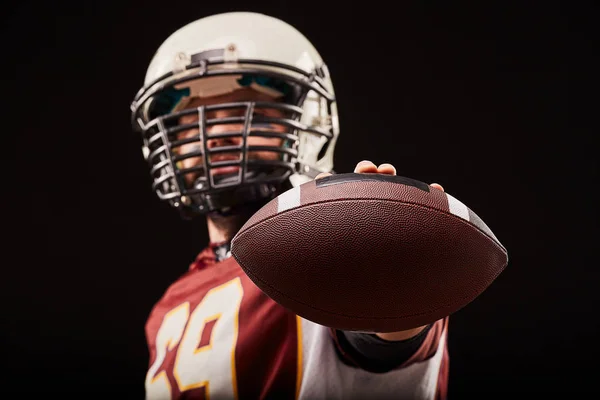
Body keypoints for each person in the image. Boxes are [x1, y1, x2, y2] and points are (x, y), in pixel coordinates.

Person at [130, 11, 449, 400]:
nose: (215, 133)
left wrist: (385, 266)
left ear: (308, 124)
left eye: (248, 110)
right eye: (189, 120)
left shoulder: (325, 241)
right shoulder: (169, 305)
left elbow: (383, 339)